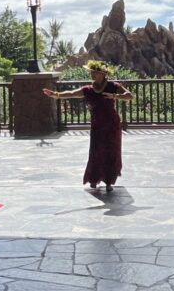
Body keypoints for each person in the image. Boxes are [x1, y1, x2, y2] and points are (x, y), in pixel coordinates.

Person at [42, 60, 133, 192]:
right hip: (97, 125)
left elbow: (130, 96)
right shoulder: (88, 90)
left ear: (102, 74)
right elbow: (72, 94)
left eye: (95, 72)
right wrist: (56, 95)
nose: (92, 74)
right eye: (91, 72)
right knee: (96, 152)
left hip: (112, 124)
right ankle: (94, 179)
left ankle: (108, 181)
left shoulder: (113, 86)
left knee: (111, 152)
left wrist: (115, 96)